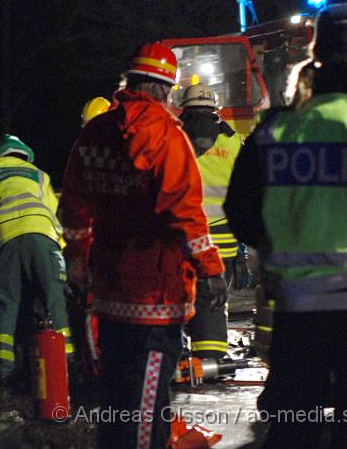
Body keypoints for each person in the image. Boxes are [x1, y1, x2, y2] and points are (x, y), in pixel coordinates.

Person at [224, 3, 347, 448]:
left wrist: (283, 244)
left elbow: (240, 213)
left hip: (300, 310)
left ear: (314, 54)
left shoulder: (276, 130)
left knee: (295, 426)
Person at [60, 42, 226, 449]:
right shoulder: (166, 135)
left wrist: (80, 258)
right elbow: (183, 211)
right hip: (156, 295)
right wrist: (211, 267)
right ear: (166, 88)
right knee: (147, 403)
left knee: (118, 399)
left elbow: (74, 208)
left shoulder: (94, 133)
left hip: (111, 291)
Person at [0, 134, 72, 383]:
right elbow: (52, 210)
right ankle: (67, 362)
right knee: (54, 299)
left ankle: (3, 368)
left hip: (7, 238)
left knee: (6, 302)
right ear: (23, 154)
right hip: (42, 238)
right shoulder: (39, 175)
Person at [177, 83, 245, 359]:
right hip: (222, 243)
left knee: (177, 295)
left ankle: (176, 356)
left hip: (182, 236)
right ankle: (211, 359)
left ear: (184, 107)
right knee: (213, 300)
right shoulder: (231, 140)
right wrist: (242, 246)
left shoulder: (173, 135)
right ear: (215, 108)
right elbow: (245, 192)